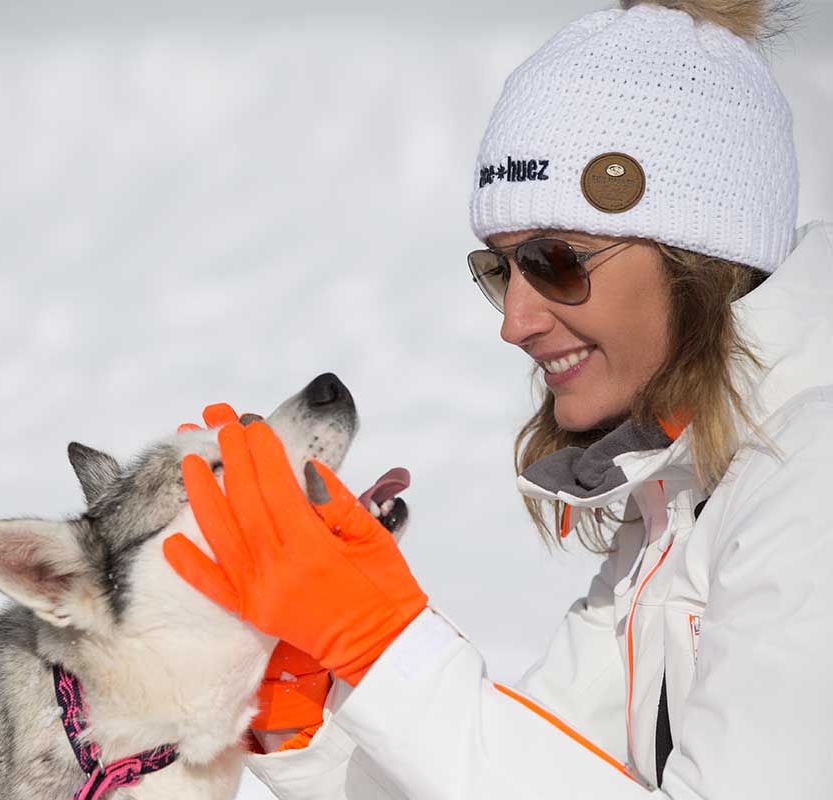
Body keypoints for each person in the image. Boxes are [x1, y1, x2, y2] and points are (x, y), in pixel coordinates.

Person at [162, 0, 833, 796]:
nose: (515, 321)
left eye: (555, 261)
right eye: (499, 270)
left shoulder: (809, 474)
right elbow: (530, 768)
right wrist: (308, 705)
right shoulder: (682, 492)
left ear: (699, 259)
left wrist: (384, 644)